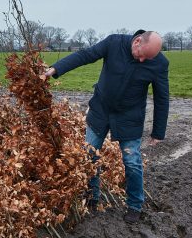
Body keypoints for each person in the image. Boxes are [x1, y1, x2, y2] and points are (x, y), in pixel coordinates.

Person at [43, 30, 169, 224]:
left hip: (129, 117)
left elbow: (162, 97)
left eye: (148, 58)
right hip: (100, 111)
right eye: (142, 55)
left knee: (132, 162)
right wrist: (55, 69)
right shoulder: (114, 43)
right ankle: (92, 197)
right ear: (137, 42)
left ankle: (134, 205)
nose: (143, 61)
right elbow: (85, 55)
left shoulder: (159, 63)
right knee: (89, 155)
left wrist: (158, 131)